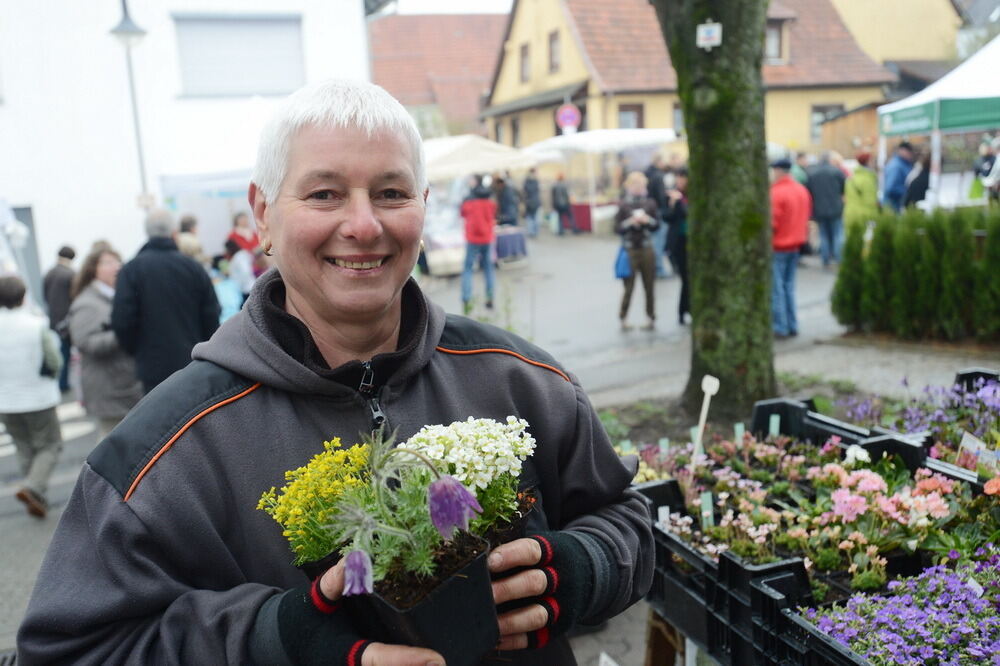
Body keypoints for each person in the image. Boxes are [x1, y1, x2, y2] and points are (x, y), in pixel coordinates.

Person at [19, 79, 652, 666]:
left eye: (391, 193)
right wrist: (278, 637)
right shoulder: (165, 452)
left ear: (423, 210)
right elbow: (72, 648)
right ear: (263, 214)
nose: (363, 225)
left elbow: (630, 523)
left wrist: (583, 569)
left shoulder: (518, 379)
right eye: (324, 194)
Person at [111, 209, 221, 393]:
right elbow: (211, 313)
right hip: (193, 361)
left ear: (147, 234)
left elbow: (122, 320)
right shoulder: (193, 268)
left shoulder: (131, 270)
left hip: (152, 365)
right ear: (174, 233)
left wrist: (137, 351)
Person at [0, 274, 63, 519]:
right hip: (37, 396)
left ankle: (36, 495)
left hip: (5, 399)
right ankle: (33, 487)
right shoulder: (35, 324)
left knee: (24, 447)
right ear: (23, 296)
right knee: (50, 445)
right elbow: (53, 360)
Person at [66, 247, 143, 440]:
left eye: (117, 261)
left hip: (124, 384)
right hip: (108, 387)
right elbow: (85, 342)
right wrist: (123, 333)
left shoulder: (116, 296)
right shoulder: (87, 303)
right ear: (94, 269)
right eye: (108, 262)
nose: (116, 266)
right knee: (112, 446)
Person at [770, 159, 812, 339]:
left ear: (779, 171)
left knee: (777, 288)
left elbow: (772, 222)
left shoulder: (776, 193)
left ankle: (780, 326)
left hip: (778, 245)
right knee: (788, 287)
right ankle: (792, 324)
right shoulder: (801, 190)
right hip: (795, 244)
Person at [614, 171, 660, 332]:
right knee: (629, 287)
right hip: (630, 249)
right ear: (629, 186)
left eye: (641, 185)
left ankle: (651, 316)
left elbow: (657, 225)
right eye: (635, 184)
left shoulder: (650, 203)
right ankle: (623, 317)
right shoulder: (624, 205)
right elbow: (617, 228)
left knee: (649, 285)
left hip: (646, 247)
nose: (638, 188)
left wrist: (647, 220)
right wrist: (630, 222)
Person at [460, 176, 497, 314]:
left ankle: (466, 298)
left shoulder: (469, 200)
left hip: (473, 239)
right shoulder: (490, 200)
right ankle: (490, 297)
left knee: (468, 269)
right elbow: (494, 213)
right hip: (487, 238)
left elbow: (462, 213)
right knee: (488, 269)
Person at [42, 245, 75, 392]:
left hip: (53, 320)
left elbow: (45, 297)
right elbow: (75, 298)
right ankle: (63, 384)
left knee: (57, 352)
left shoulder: (48, 273)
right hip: (67, 321)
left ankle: (57, 382)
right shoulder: (70, 274)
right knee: (66, 353)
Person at [805, 152, 846, 268]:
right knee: (837, 234)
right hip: (835, 208)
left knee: (823, 235)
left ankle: (825, 259)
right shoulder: (837, 172)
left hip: (819, 209)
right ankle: (839, 258)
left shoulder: (812, 174)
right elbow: (843, 189)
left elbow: (809, 192)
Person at [664, 168, 690, 325]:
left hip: (690, 241)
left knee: (689, 279)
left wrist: (679, 201)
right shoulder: (674, 195)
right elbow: (667, 216)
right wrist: (673, 204)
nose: (680, 181)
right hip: (678, 242)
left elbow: (687, 212)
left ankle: (686, 309)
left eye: (682, 178)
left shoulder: (688, 197)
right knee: (685, 278)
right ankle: (683, 311)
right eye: (678, 178)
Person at [643, 155, 670, 278]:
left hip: (649, 209)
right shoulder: (658, 176)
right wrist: (666, 209)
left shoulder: (647, 174)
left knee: (654, 240)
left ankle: (653, 267)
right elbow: (660, 195)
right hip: (658, 211)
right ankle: (658, 269)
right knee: (658, 241)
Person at [843, 152, 880, 228]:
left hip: (850, 213)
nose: (873, 163)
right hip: (865, 216)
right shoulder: (868, 179)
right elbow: (870, 201)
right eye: (872, 161)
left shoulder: (851, 178)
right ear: (867, 162)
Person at [882, 141, 915, 213]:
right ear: (902, 151)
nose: (911, 155)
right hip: (893, 206)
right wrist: (909, 193)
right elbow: (890, 188)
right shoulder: (896, 166)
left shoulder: (903, 164)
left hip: (897, 205)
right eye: (909, 153)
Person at [225, 238, 257, 302]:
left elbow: (246, 271)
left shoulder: (239, 257)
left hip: (247, 288)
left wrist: (241, 283)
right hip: (247, 287)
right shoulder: (242, 255)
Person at [522, 168, 541, 237]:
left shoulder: (527, 181)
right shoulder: (535, 181)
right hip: (535, 201)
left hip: (529, 201)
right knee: (534, 217)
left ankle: (531, 231)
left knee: (530, 217)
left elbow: (525, 191)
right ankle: (534, 231)